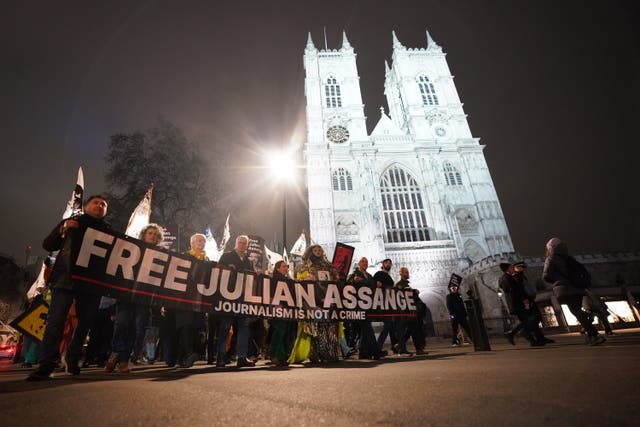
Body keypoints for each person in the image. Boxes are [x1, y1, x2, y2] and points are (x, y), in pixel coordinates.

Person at [27, 195, 111, 381]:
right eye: (96, 202)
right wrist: (63, 230)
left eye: (103, 204)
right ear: (87, 206)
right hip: (66, 279)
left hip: (91, 284)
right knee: (55, 322)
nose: (99, 206)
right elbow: (48, 244)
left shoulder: (110, 232)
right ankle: (46, 364)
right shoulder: (72, 222)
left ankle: (72, 358)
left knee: (85, 323)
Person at [105, 224, 165, 374]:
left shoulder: (161, 254)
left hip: (144, 299)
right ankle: (116, 352)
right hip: (126, 295)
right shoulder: (132, 248)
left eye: (155, 235)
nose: (152, 236)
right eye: (149, 233)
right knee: (122, 324)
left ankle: (123, 360)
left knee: (136, 328)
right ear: (144, 235)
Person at [542, 237, 606, 346]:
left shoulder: (551, 259)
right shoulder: (569, 258)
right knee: (578, 311)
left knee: (576, 312)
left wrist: (556, 281)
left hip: (565, 289)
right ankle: (590, 336)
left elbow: (546, 276)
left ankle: (594, 334)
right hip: (578, 289)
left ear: (550, 248)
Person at [288, 245, 340, 363]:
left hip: (328, 299)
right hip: (313, 300)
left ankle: (330, 353)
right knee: (314, 328)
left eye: (320, 250)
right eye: (315, 250)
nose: (318, 252)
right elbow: (299, 281)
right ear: (310, 252)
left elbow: (336, 278)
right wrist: (307, 279)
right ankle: (315, 354)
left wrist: (334, 277)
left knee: (330, 327)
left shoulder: (328, 265)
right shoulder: (305, 266)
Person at [216, 235, 256, 368]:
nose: (242, 245)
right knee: (225, 327)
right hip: (228, 298)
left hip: (243, 300)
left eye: (245, 243)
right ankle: (220, 357)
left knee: (244, 327)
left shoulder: (249, 261)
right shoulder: (227, 256)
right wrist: (227, 267)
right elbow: (217, 271)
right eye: (240, 243)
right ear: (236, 243)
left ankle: (242, 357)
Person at [500, 261, 550, 347]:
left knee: (528, 320)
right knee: (529, 320)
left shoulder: (510, 277)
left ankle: (531, 339)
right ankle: (518, 333)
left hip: (521, 301)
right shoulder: (507, 278)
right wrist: (524, 299)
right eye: (512, 267)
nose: (513, 269)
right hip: (518, 303)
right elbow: (515, 291)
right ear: (508, 268)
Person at [347, 257, 385, 360]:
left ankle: (363, 353)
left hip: (368, 306)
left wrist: (376, 284)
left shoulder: (369, 276)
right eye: (363, 262)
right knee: (367, 327)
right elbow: (348, 284)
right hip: (358, 306)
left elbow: (372, 285)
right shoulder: (354, 274)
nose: (365, 263)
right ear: (358, 264)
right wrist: (355, 281)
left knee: (365, 329)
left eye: (366, 262)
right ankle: (376, 351)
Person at [266, 260, 292, 366]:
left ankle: (280, 356)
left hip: (284, 309)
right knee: (280, 330)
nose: (286, 268)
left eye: (287, 266)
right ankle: (274, 355)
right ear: (277, 269)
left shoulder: (286, 280)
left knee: (282, 331)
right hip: (276, 308)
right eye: (283, 266)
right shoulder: (274, 279)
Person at [374, 258, 397, 353]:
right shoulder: (378, 274)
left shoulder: (390, 278)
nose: (388, 264)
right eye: (387, 263)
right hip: (382, 303)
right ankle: (378, 347)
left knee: (391, 325)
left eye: (390, 263)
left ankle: (395, 345)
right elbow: (375, 284)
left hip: (389, 303)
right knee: (388, 325)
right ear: (383, 264)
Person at [393, 267, 413, 356]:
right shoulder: (399, 284)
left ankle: (399, 346)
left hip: (406, 311)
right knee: (401, 330)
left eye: (408, 272)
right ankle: (402, 350)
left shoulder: (406, 284)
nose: (408, 273)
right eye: (406, 272)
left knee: (409, 329)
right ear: (401, 274)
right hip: (401, 311)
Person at [446, 283, 472, 347]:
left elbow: (462, 305)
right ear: (450, 289)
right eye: (453, 288)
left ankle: (473, 339)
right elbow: (449, 306)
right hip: (455, 315)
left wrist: (465, 313)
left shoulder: (459, 295)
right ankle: (454, 342)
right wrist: (452, 314)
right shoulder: (449, 296)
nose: (454, 289)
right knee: (455, 329)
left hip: (461, 315)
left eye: (455, 288)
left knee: (467, 327)